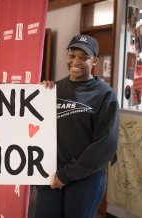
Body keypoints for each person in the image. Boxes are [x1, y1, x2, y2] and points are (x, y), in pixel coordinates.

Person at [35, 35, 119, 218]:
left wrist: (67, 175)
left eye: (84, 57)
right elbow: (35, 126)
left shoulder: (106, 95)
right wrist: (38, 95)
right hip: (51, 173)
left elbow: (106, 145)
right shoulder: (52, 89)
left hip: (85, 178)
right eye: (72, 55)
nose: (76, 61)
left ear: (95, 60)